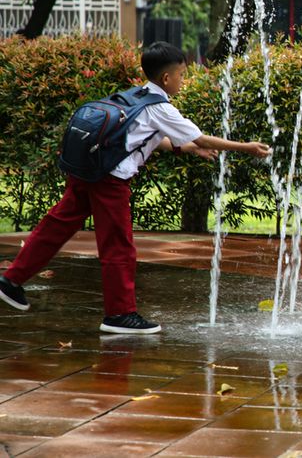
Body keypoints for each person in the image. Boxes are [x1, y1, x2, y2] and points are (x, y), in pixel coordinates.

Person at [0, 42, 271, 333]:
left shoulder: (135, 97)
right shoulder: (160, 108)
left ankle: (11, 280)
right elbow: (203, 138)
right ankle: (119, 315)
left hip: (88, 171)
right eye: (182, 75)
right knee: (118, 245)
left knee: (58, 225)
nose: (183, 80)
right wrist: (247, 148)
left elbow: (151, 139)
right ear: (166, 79)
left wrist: (188, 150)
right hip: (110, 181)